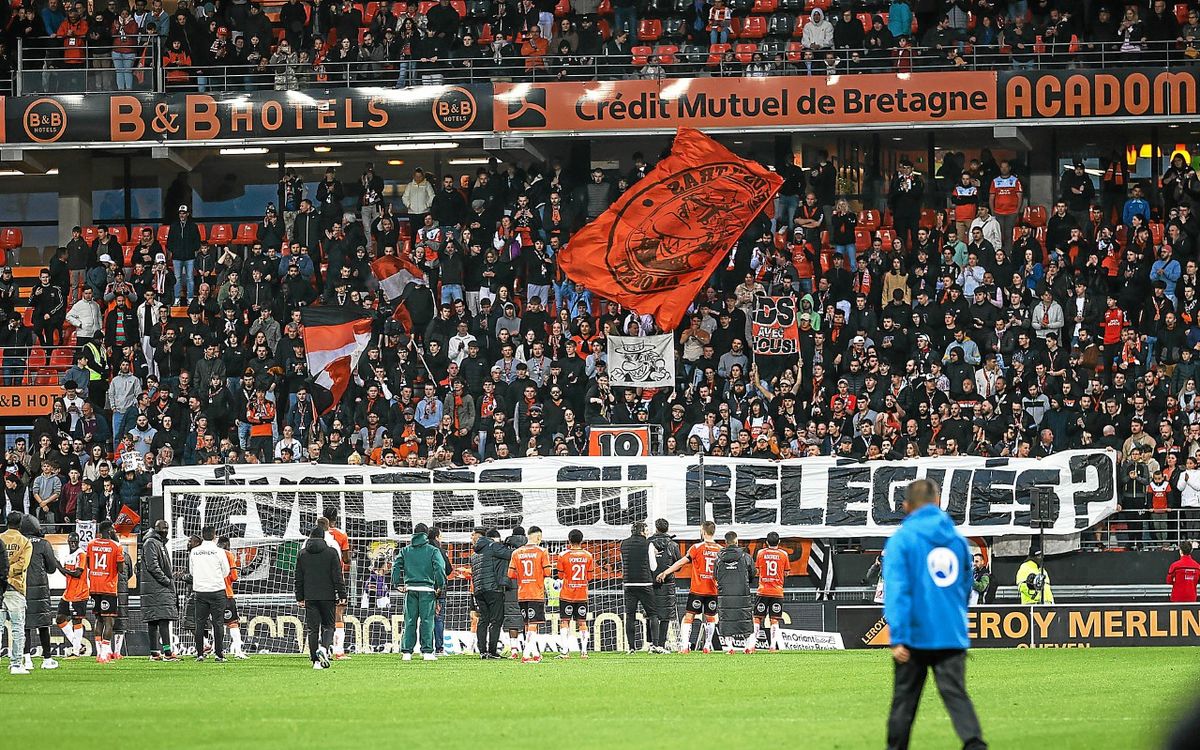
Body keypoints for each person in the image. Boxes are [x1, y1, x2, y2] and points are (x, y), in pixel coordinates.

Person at [883, 479, 987, 750]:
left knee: (904, 702)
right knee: (956, 695)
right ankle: (975, 744)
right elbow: (965, 588)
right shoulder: (958, 541)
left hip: (915, 636)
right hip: (950, 633)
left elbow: (897, 591)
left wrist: (898, 636)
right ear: (938, 502)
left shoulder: (902, 540)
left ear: (906, 506)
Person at [657, 519, 721, 653]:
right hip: (713, 590)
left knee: (689, 617)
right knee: (710, 618)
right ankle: (707, 646)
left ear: (703, 531)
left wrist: (666, 572)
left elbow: (680, 563)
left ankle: (685, 647)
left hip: (698, 590)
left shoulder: (696, 548)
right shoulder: (720, 550)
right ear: (713, 532)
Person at [392, 522, 447, 661]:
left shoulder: (405, 551)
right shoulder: (433, 551)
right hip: (427, 590)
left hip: (410, 590)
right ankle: (427, 652)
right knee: (427, 621)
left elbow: (395, 566)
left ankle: (407, 652)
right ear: (426, 534)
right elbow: (440, 568)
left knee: (409, 620)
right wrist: (441, 585)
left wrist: (396, 583)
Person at [295, 525, 346, 669]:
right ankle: (323, 648)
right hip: (328, 596)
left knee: (312, 629)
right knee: (329, 626)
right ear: (323, 537)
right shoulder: (331, 553)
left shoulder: (302, 554)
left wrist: (299, 597)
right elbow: (337, 576)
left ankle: (315, 662)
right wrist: (342, 594)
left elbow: (298, 578)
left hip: (310, 596)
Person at [19, 515, 60, 671]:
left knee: (24, 626)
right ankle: (47, 659)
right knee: (43, 625)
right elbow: (51, 568)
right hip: (41, 590)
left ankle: (26, 659)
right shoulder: (43, 544)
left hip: (22, 588)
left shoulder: (20, 543)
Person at [507, 524, 551, 663]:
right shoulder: (542, 551)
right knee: (533, 624)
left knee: (528, 623)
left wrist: (524, 576)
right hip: (535, 592)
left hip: (522, 593)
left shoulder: (516, 553)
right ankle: (526, 655)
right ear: (538, 536)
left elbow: (510, 574)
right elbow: (548, 573)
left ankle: (535, 653)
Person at [188, 524, 231, 662]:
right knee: (218, 623)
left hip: (200, 591)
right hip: (217, 590)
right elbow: (226, 571)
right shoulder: (219, 552)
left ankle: (200, 654)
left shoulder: (194, 552)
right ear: (214, 536)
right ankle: (219, 654)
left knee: (199, 623)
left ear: (202, 535)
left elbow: (192, 572)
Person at [84, 520, 125, 664]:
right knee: (109, 620)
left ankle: (99, 652)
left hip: (94, 586)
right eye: (113, 529)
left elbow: (88, 564)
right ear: (109, 531)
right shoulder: (116, 546)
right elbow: (121, 569)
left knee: (98, 619)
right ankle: (104, 654)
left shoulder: (90, 544)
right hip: (108, 587)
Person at [470, 527, 512, 659]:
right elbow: (511, 554)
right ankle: (492, 651)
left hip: (479, 590)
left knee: (483, 619)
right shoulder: (493, 546)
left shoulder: (475, 553)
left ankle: (482, 651)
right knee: (496, 620)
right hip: (493, 588)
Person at [140, 518, 179, 661]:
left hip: (155, 588)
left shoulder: (157, 542)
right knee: (161, 620)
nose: (165, 531)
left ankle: (155, 652)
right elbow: (153, 566)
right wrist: (166, 580)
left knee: (156, 620)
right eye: (163, 528)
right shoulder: (151, 543)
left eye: (167, 528)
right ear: (156, 528)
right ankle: (166, 653)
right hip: (156, 587)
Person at [621, 520, 662, 653]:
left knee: (630, 616)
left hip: (629, 584)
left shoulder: (623, 544)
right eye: (647, 530)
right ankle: (655, 645)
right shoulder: (648, 544)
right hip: (645, 583)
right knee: (653, 614)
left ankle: (631, 648)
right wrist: (654, 554)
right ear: (642, 531)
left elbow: (624, 564)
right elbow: (653, 566)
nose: (648, 532)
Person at [555, 528, 594, 658]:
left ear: (569, 540)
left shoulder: (562, 555)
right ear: (582, 541)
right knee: (582, 622)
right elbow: (589, 577)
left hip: (566, 594)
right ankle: (584, 652)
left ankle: (565, 652)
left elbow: (560, 576)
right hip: (582, 594)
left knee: (565, 622)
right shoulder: (588, 556)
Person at [715, 530, 755, 654]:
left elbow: (715, 575)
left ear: (725, 542)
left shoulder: (719, 558)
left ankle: (730, 647)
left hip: (725, 594)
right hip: (742, 592)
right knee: (745, 618)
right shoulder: (745, 557)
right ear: (736, 541)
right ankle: (747, 647)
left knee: (726, 619)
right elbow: (752, 573)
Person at [319, 510, 352, 659]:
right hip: (336, 579)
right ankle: (338, 650)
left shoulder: (316, 535)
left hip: (318, 579)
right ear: (336, 519)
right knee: (338, 613)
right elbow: (346, 560)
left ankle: (322, 647)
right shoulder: (341, 536)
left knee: (320, 614)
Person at [1, 511, 30, 674]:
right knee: (18, 628)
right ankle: (16, 664)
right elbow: (22, 564)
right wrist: (8, 573)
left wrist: (2, 573)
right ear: (20, 524)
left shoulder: (0, 538)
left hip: (0, 586)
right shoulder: (25, 542)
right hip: (16, 588)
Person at [752, 531, 789, 652]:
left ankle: (753, 644)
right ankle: (772, 646)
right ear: (779, 542)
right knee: (774, 619)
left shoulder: (760, 553)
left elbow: (757, 570)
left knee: (757, 617)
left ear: (766, 542)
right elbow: (786, 572)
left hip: (763, 590)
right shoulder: (784, 554)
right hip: (777, 592)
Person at [55, 531, 90, 658]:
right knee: (60, 619)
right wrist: (61, 569)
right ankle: (79, 646)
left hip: (80, 593)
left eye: (75, 541)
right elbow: (68, 574)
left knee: (77, 620)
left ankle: (75, 651)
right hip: (68, 592)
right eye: (71, 541)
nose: (73, 543)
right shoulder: (68, 556)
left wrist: (59, 567)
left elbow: (77, 573)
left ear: (78, 542)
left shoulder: (81, 554)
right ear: (68, 542)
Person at [648, 518, 680, 652]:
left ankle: (651, 644)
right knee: (666, 615)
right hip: (668, 583)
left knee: (651, 613)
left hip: (650, 582)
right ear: (667, 529)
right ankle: (661, 644)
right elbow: (678, 565)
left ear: (656, 528)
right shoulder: (673, 545)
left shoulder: (648, 543)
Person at [217, 536, 248, 659]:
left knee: (217, 623)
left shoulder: (211, 554)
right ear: (226, 544)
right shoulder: (228, 554)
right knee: (233, 623)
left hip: (211, 594)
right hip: (226, 593)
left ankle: (217, 651)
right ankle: (238, 652)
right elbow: (234, 576)